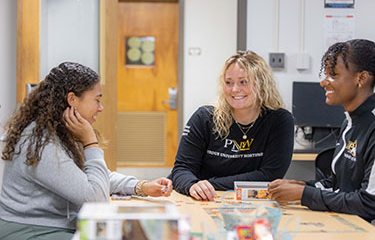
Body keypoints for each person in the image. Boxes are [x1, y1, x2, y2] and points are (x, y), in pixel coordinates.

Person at [0, 62, 173, 240]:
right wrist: (90, 142)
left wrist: (140, 186)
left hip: (50, 226)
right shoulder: (40, 143)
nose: (100, 108)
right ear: (72, 99)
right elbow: (97, 201)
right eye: (97, 99)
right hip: (30, 230)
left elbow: (90, 178)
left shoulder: (57, 131)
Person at [268, 39, 375, 223]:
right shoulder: (350, 121)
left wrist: (304, 194)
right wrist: (300, 186)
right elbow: (338, 187)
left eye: (333, 74)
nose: (323, 82)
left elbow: (369, 202)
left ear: (362, 78)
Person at [170, 50, 294, 201]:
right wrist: (192, 185)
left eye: (243, 82)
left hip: (249, 203)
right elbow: (182, 169)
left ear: (261, 84)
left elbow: (269, 176)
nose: (235, 89)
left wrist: (209, 184)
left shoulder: (279, 120)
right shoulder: (204, 117)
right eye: (228, 82)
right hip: (201, 199)